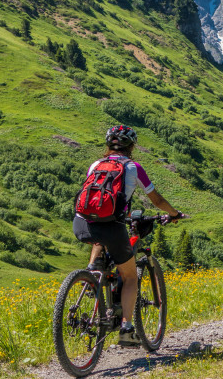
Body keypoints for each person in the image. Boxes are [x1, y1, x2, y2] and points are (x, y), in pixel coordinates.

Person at [73, 125, 182, 346]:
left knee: (98, 238)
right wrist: (174, 214)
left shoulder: (95, 165)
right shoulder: (133, 167)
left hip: (81, 223)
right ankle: (126, 329)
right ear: (131, 146)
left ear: (108, 145)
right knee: (130, 276)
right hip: (112, 227)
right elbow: (157, 200)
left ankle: (92, 275)